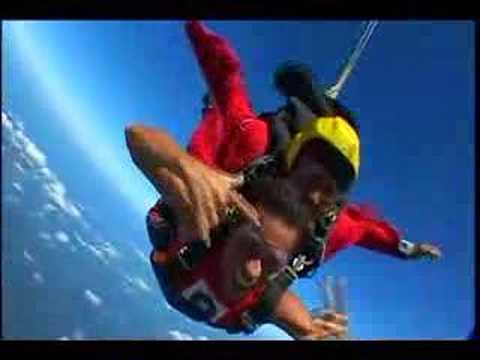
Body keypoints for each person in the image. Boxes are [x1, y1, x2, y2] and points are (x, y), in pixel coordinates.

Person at [125, 20, 441, 337]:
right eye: (313, 178)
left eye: (329, 191)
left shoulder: (330, 229)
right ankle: (210, 118)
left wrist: (408, 249)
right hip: (198, 230)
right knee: (213, 136)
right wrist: (189, 167)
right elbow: (225, 78)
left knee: (308, 323)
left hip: (226, 297)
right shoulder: (246, 156)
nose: (316, 197)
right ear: (293, 161)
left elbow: (368, 231)